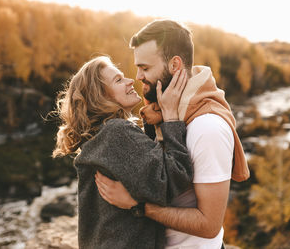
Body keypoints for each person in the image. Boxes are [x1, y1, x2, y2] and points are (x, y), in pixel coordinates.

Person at [95, 19, 250, 249]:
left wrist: (137, 205)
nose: (137, 76)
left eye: (145, 68)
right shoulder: (162, 112)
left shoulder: (207, 128)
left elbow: (209, 226)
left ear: (175, 65)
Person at [52, 55, 194, 248]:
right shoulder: (117, 132)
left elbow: (141, 171)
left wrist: (152, 121)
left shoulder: (100, 137)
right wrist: (171, 119)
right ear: (100, 96)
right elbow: (176, 177)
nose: (130, 81)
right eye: (118, 80)